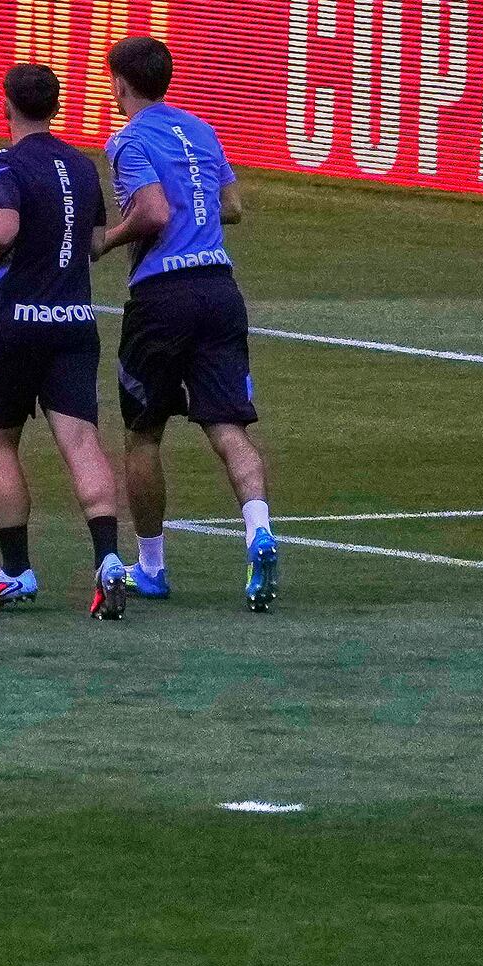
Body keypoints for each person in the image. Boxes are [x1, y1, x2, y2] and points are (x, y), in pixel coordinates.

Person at [98, 35, 278, 611]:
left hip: (162, 296)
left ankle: (150, 566)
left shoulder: (128, 140)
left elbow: (152, 211)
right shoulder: (201, 129)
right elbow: (231, 208)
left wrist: (109, 238)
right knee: (229, 428)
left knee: (144, 432)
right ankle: (258, 531)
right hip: (220, 287)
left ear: (120, 84)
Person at [0, 60, 124, 616]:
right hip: (74, 322)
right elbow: (97, 241)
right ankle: (108, 561)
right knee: (81, 442)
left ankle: (15, 571)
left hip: (12, 326)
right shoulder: (81, 164)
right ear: (55, 107)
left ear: (6, 105)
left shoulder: (3, 162)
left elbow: (2, 227)